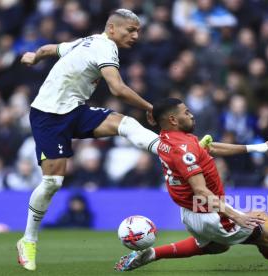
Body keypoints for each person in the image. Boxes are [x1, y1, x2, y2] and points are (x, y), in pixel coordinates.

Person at [16, 9, 210, 271]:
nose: (136, 35)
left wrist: (34, 56)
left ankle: (169, 148)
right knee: (53, 182)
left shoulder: (86, 41)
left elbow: (52, 48)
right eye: (130, 30)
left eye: (138, 31)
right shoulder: (104, 47)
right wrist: (152, 108)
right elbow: (117, 88)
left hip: (74, 110)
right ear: (111, 29)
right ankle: (28, 240)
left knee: (125, 124)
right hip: (48, 116)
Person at [114, 98, 268, 271]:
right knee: (264, 237)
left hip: (190, 213)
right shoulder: (184, 149)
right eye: (186, 112)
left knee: (217, 246)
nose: (192, 115)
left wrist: (256, 147)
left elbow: (210, 148)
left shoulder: (167, 139)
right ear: (173, 119)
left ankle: (153, 253)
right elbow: (201, 191)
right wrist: (235, 216)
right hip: (209, 211)